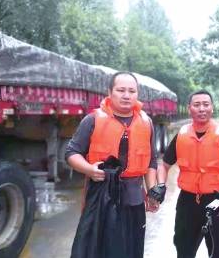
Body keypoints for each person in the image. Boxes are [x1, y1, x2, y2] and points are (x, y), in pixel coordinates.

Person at [65, 71, 159, 258]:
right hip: (101, 196)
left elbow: (151, 161)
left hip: (134, 198)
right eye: (121, 90)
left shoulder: (146, 122)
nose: (126, 95)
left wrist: (153, 191)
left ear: (137, 94)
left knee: (131, 249)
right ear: (110, 92)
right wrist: (89, 169)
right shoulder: (92, 120)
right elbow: (71, 153)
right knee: (96, 250)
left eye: (131, 91)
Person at [152, 89, 219, 258]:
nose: (202, 108)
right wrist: (160, 185)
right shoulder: (181, 135)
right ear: (189, 109)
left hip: (217, 202)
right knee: (184, 250)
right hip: (187, 202)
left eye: (206, 104)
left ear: (212, 107)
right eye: (197, 105)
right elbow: (164, 166)